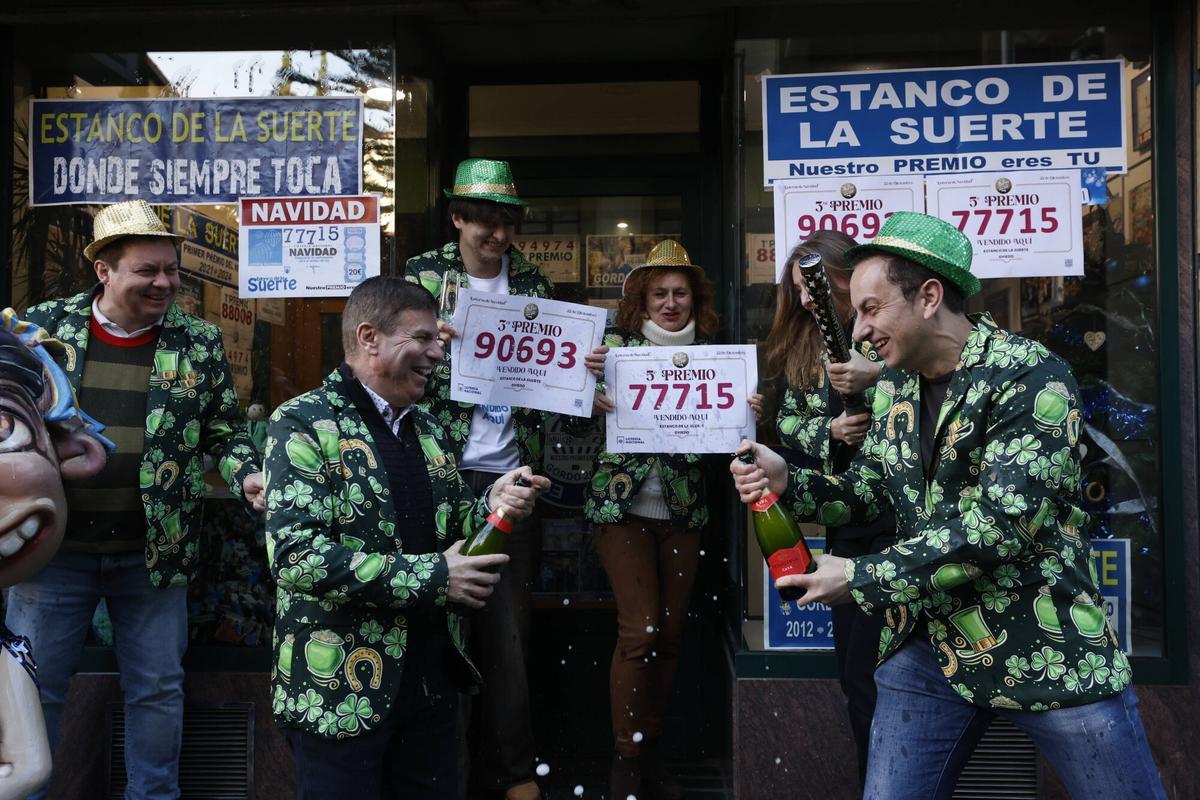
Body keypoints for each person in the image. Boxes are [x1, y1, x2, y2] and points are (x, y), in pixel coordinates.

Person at [731, 212, 1166, 799]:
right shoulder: (895, 387)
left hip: (1046, 647)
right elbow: (873, 496)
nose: (857, 332)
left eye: (870, 309)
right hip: (927, 647)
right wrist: (791, 483)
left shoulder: (1032, 377)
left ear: (930, 296)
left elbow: (998, 527)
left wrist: (860, 576)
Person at [4, 199, 265, 800]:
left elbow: (222, 430)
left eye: (171, 270)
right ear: (105, 272)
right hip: (53, 554)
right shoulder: (43, 332)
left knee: (156, 690)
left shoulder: (197, 341)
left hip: (154, 555)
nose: (166, 283)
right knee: (34, 689)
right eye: (148, 270)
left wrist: (247, 472)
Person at [264, 277, 549, 800]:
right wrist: (437, 576)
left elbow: (455, 522)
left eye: (437, 341)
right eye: (422, 338)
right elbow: (297, 557)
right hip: (338, 694)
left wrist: (495, 505)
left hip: (430, 687)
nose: (439, 352)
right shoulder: (302, 423)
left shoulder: (430, 428)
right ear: (370, 337)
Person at [405, 158, 591, 800]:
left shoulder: (536, 282)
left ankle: (512, 771)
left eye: (505, 220)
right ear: (457, 216)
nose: (496, 233)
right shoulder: (422, 279)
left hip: (510, 476)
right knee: (432, 622)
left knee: (506, 635)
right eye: (483, 218)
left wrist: (588, 365)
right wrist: (428, 342)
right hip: (435, 472)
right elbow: (383, 363)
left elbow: (564, 374)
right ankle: (440, 770)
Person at [582, 240, 761, 800]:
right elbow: (561, 408)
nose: (669, 302)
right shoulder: (611, 350)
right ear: (641, 299)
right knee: (642, 633)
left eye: (679, 292)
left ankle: (650, 745)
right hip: (623, 508)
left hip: (684, 510)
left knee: (673, 636)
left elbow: (731, 434)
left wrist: (751, 413)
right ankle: (626, 760)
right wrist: (586, 393)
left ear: (694, 299)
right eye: (658, 293)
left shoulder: (717, 356)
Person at [763, 230, 894, 785]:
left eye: (815, 286)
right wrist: (830, 430)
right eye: (797, 289)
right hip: (846, 522)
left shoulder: (885, 334)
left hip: (907, 519)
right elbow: (784, 425)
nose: (807, 299)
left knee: (904, 681)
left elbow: (934, 384)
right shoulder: (796, 343)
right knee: (858, 678)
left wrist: (879, 378)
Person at [0, 311, 111, 800]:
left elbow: (28, 766)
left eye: (3, 430)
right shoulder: (57, 320)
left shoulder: (4, 656)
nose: (162, 281)